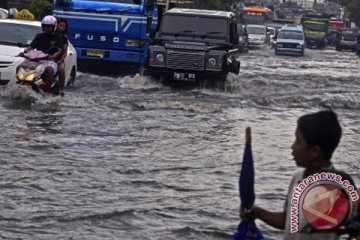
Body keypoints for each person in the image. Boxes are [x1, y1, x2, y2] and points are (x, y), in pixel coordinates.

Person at [240, 110, 359, 240]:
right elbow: (289, 221)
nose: (292, 147)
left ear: (314, 151)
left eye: (298, 142)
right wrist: (258, 213)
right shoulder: (297, 178)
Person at [25, 15, 63, 93]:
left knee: (49, 70)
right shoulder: (39, 36)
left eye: (49, 27)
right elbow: (31, 46)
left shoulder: (58, 37)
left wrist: (53, 56)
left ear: (54, 27)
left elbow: (59, 50)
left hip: (50, 61)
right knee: (20, 67)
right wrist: (26, 51)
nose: (47, 28)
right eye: (45, 26)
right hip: (36, 60)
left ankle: (46, 91)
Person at [55, 18, 69, 96]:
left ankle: (61, 88)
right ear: (57, 25)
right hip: (47, 57)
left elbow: (65, 53)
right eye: (60, 25)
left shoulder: (64, 38)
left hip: (59, 59)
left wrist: (60, 60)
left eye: (64, 26)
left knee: (61, 69)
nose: (62, 27)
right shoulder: (51, 34)